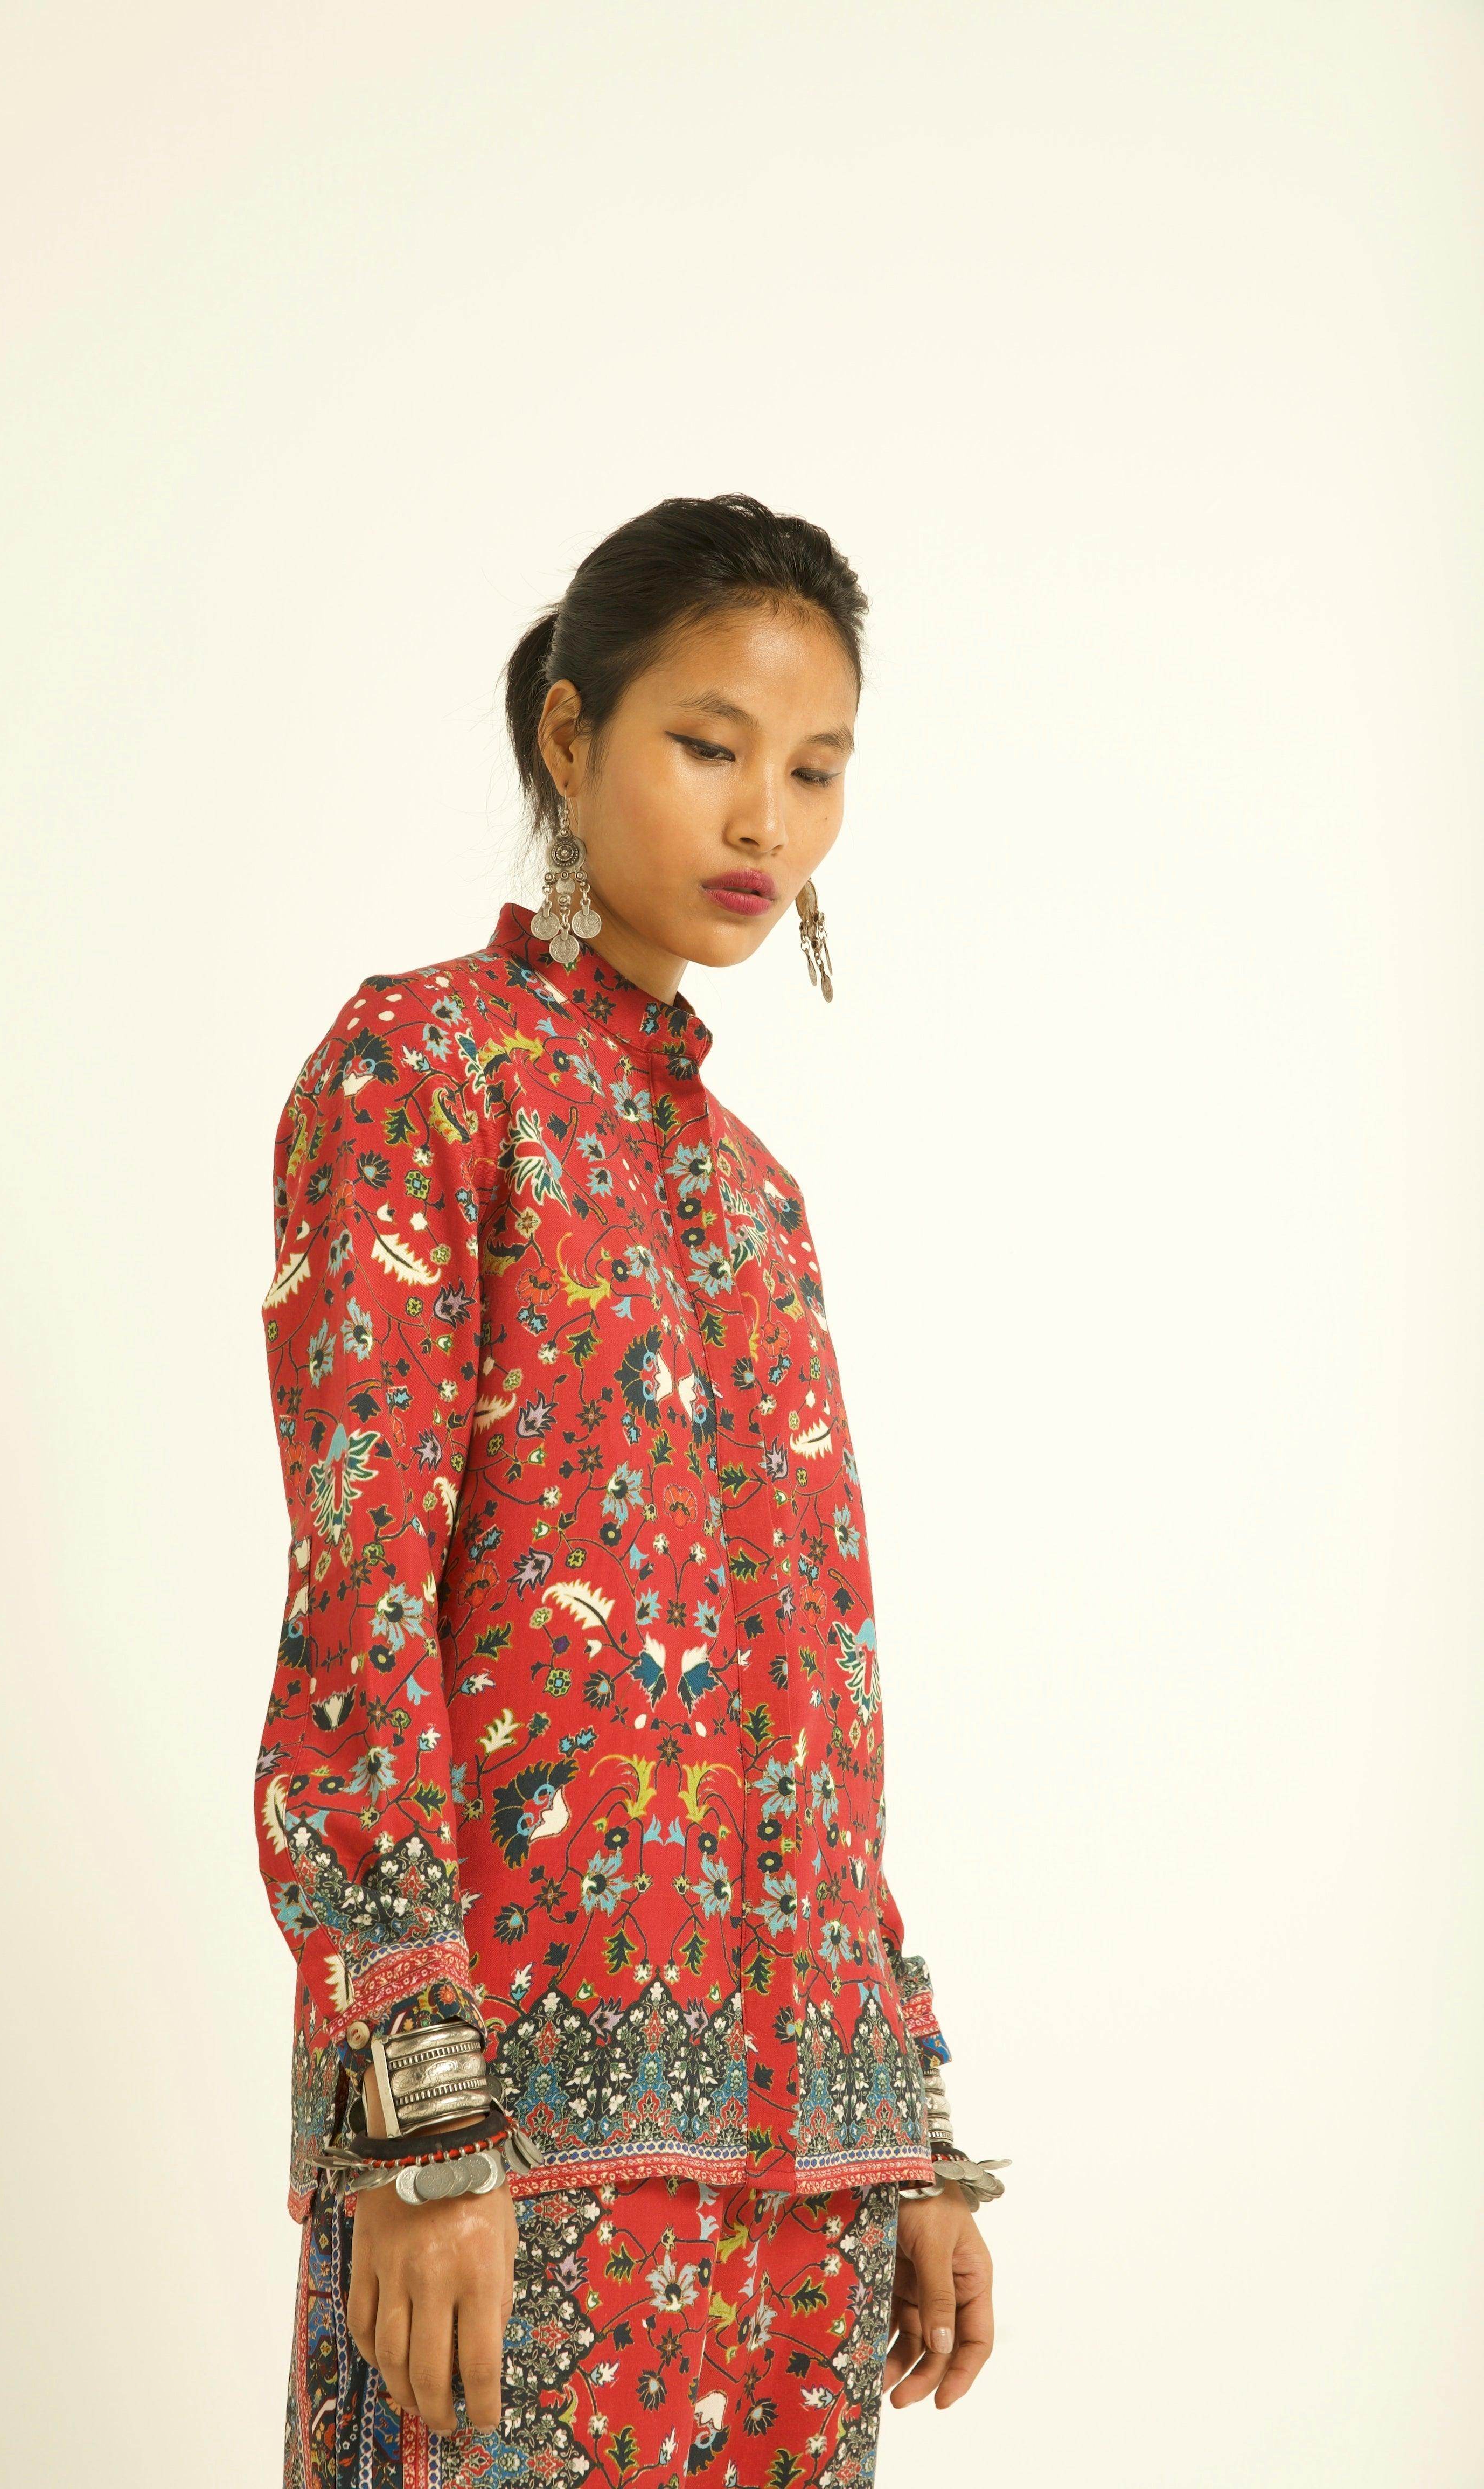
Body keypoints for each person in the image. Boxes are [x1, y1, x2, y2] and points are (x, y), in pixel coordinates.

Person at [254, 492, 1007, 2488]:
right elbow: (359, 1621)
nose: (768, 819)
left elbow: (822, 1704)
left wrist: (910, 2129)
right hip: (512, 2158)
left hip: (803, 2194)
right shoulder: (427, 1071)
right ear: (570, 739)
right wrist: (419, 2127)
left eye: (817, 769)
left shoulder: (763, 1206)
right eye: (709, 744)